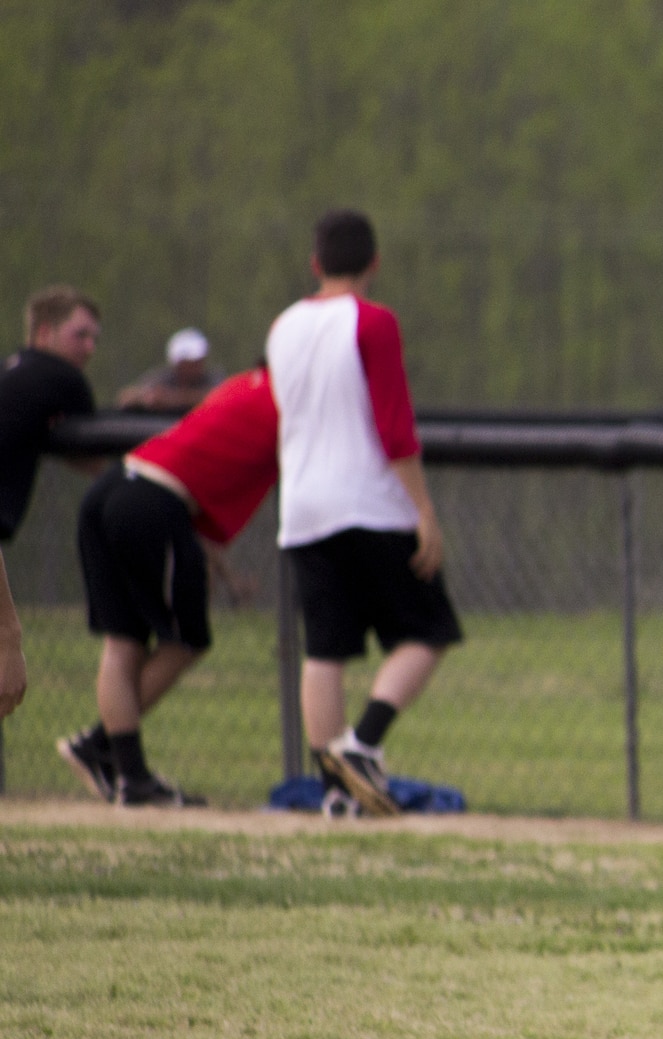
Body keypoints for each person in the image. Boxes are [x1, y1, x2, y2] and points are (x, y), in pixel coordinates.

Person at [266, 209, 456, 818]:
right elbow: (394, 426)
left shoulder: (284, 326)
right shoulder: (372, 322)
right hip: (369, 503)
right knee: (427, 630)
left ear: (315, 263)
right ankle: (364, 745)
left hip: (301, 506)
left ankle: (333, 789)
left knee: (325, 650)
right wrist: (424, 512)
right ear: (374, 263)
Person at [56, 366, 278, 806]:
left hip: (114, 487)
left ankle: (129, 776)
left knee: (124, 642)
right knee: (186, 639)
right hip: (153, 500)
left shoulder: (246, 384)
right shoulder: (287, 396)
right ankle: (102, 746)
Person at [0, 286, 105, 718]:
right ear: (44, 333)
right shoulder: (61, 378)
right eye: (80, 334)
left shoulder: (13, 375)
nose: (90, 348)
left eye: (94, 338)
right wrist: (9, 638)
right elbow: (94, 455)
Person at [116, 329, 222, 413]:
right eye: (190, 361)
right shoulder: (162, 377)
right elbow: (126, 398)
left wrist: (171, 399)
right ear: (177, 362)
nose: (197, 365)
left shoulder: (211, 378)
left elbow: (218, 398)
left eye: (199, 360)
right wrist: (147, 398)